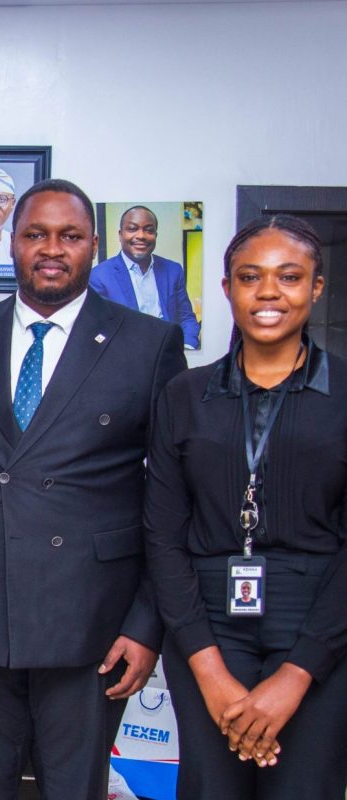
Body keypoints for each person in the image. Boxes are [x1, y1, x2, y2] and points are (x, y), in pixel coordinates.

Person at [0, 179, 186, 798]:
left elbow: (172, 502)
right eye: (35, 234)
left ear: (95, 245)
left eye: (69, 236)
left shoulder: (149, 344)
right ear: (11, 244)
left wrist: (148, 626)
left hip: (92, 625)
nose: (51, 248)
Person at [143, 214, 347, 798]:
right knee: (211, 786)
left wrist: (298, 673)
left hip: (320, 626)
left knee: (304, 786)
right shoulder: (184, 394)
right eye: (249, 276)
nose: (267, 293)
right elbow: (162, 535)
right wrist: (208, 673)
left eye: (288, 277)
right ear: (228, 288)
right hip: (205, 624)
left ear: (316, 287)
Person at [90, 205, 202, 349]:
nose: (141, 236)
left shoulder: (173, 270)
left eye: (149, 230)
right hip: (128, 356)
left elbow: (186, 317)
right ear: (120, 234)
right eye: (132, 229)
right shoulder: (99, 276)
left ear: (156, 235)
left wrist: (187, 348)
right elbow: (98, 330)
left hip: (169, 352)